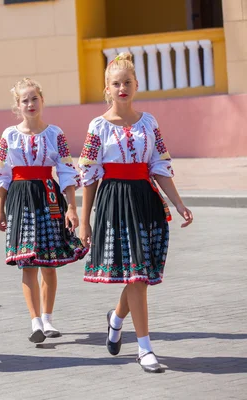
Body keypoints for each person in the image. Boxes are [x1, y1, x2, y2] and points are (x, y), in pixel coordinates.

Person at [78, 53, 194, 373]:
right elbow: (89, 175)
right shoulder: (98, 126)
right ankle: (144, 349)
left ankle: (116, 319)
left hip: (145, 201)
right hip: (114, 202)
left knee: (138, 274)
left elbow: (160, 165)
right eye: (116, 83)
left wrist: (178, 203)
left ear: (137, 85)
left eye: (127, 82)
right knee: (136, 276)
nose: (122, 88)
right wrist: (85, 220)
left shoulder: (149, 122)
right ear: (107, 88)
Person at [0, 78, 88, 343]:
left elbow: (67, 170)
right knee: (27, 262)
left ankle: (47, 319)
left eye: (34, 98)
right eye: (25, 100)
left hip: (49, 197)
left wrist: (71, 207)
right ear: (17, 105)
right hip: (20, 198)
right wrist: (0, 209)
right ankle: (34, 321)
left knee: (49, 263)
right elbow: (2, 173)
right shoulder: (9, 135)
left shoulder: (55, 133)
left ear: (42, 101)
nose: (30, 104)